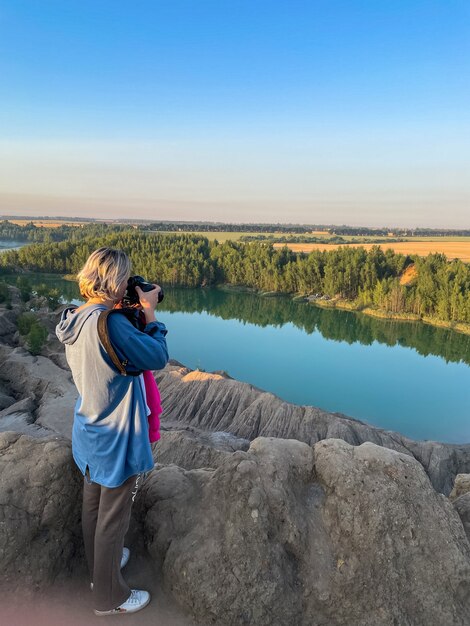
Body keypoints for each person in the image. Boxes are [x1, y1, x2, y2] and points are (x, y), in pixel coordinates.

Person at [55, 247, 168, 616]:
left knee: (93, 506)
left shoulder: (76, 317)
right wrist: (149, 312)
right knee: (112, 519)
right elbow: (156, 356)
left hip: (89, 427)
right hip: (117, 434)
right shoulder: (113, 323)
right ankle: (109, 597)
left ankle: (99, 569)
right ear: (117, 280)